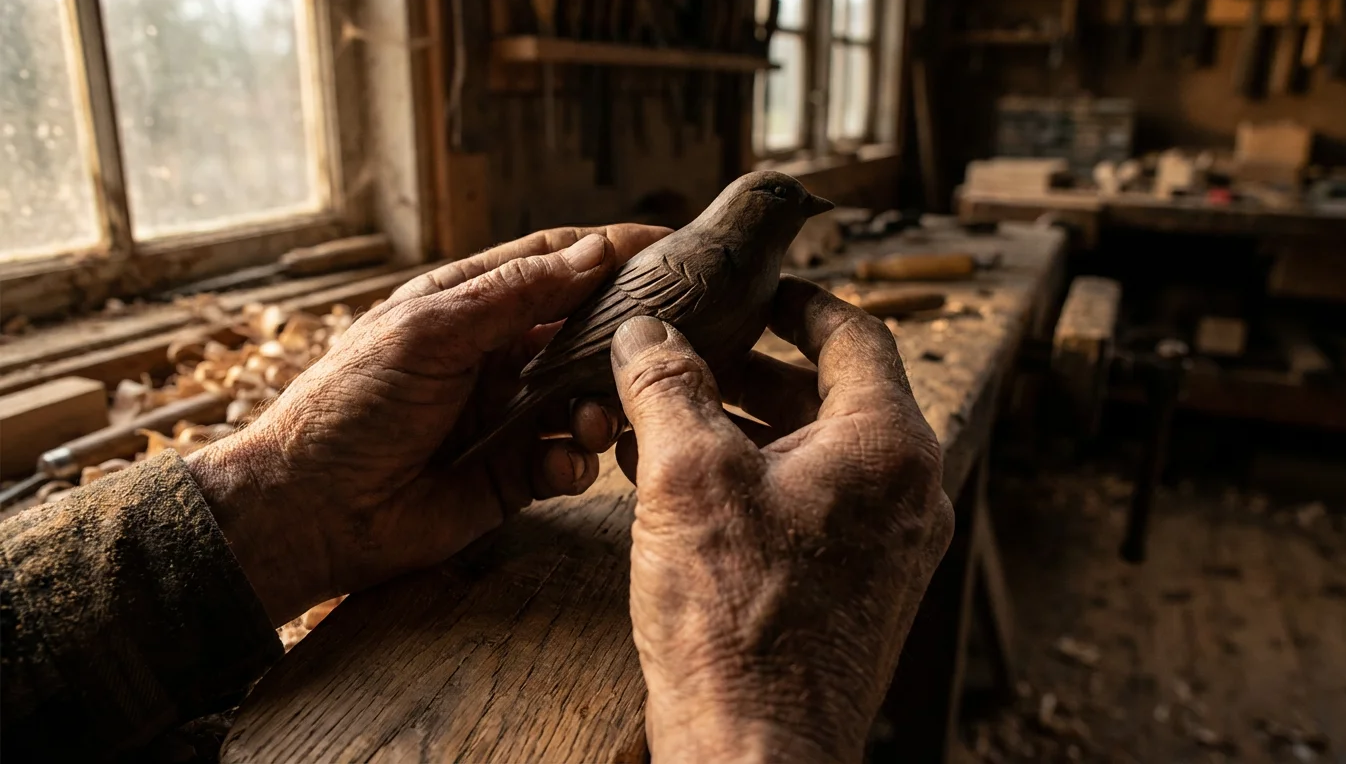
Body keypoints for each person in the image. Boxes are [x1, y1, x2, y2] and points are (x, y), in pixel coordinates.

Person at [0, 225, 953, 762]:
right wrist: (759, 723)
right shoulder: (698, 262)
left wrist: (286, 506)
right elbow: (626, 328)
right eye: (784, 203)